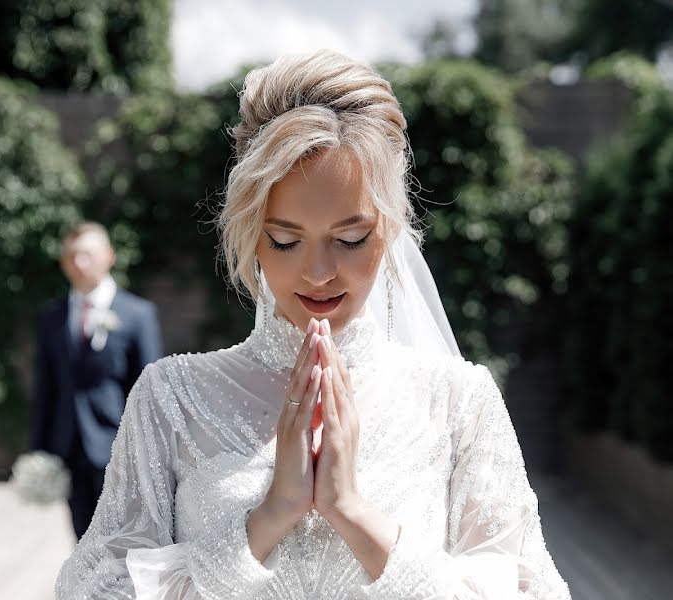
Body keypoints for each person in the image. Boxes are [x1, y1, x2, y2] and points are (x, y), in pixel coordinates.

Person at [55, 51, 571, 599]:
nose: (319, 273)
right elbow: (90, 590)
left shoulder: (459, 402)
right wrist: (266, 520)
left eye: (350, 240)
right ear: (252, 234)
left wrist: (354, 514)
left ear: (391, 230)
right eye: (285, 240)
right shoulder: (171, 398)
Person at [30, 221, 163, 540]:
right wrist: (39, 449)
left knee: (121, 543)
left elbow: (149, 389)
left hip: (118, 448)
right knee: (82, 541)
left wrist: (148, 454)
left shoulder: (137, 314)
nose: (79, 263)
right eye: (72, 256)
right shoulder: (52, 317)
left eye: (87, 255)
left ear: (108, 256)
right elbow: (46, 387)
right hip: (69, 445)